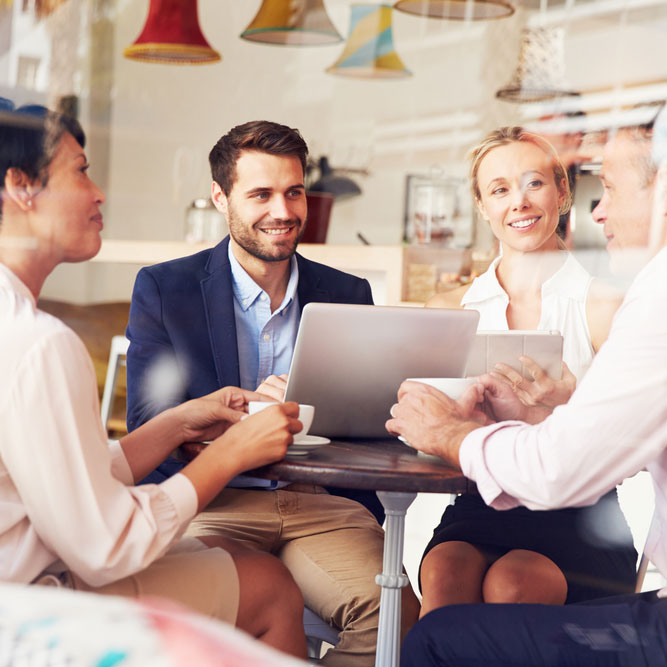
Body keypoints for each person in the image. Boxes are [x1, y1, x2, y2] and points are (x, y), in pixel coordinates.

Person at [0, 103, 309, 659]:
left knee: (214, 552)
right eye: (81, 170)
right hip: (28, 603)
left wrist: (173, 425)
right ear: (21, 187)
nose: (98, 194)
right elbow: (104, 544)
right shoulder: (39, 342)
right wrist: (231, 453)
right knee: (269, 587)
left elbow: (63, 483)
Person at [125, 120, 419, 667]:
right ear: (221, 196)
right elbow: (149, 421)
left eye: (294, 191)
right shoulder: (166, 288)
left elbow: (375, 417)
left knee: (393, 615)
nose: (282, 211)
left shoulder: (347, 293)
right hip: (212, 501)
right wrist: (254, 415)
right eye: (260, 194)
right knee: (209, 621)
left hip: (320, 504)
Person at [390, 115, 667, 665]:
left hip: (579, 515)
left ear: (563, 192)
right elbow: (418, 433)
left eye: (535, 182)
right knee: (444, 576)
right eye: (499, 189)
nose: (518, 201)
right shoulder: (450, 312)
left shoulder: (614, 304)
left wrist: (572, 401)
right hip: (476, 503)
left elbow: (629, 447)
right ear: (482, 206)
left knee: (514, 584)